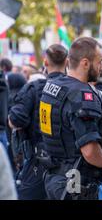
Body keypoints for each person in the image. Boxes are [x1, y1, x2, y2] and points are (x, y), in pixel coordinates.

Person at [40, 37, 102, 200]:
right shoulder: (82, 97)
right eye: (99, 62)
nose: (101, 68)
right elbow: (90, 150)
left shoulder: (54, 86)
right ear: (85, 63)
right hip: (75, 183)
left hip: (53, 176)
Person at [8, 44, 68, 199]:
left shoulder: (34, 88)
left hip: (39, 161)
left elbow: (15, 120)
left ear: (46, 63)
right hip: (72, 164)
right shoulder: (77, 89)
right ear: (67, 62)